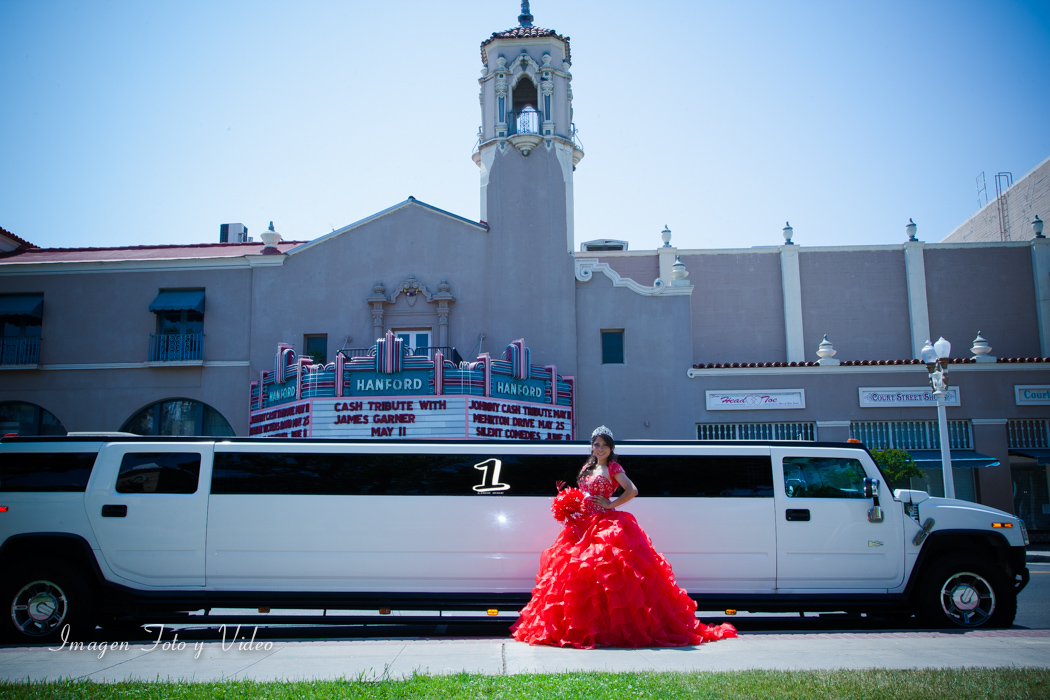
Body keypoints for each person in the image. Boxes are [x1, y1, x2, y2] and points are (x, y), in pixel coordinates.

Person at [510, 426, 738, 649]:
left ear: (611, 448)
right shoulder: (587, 467)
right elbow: (583, 493)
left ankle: (611, 630)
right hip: (580, 526)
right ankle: (586, 628)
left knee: (606, 575)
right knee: (576, 578)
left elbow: (632, 490)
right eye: (596, 444)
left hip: (603, 524)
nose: (599, 449)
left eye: (604, 445)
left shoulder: (614, 467)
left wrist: (610, 503)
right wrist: (571, 506)